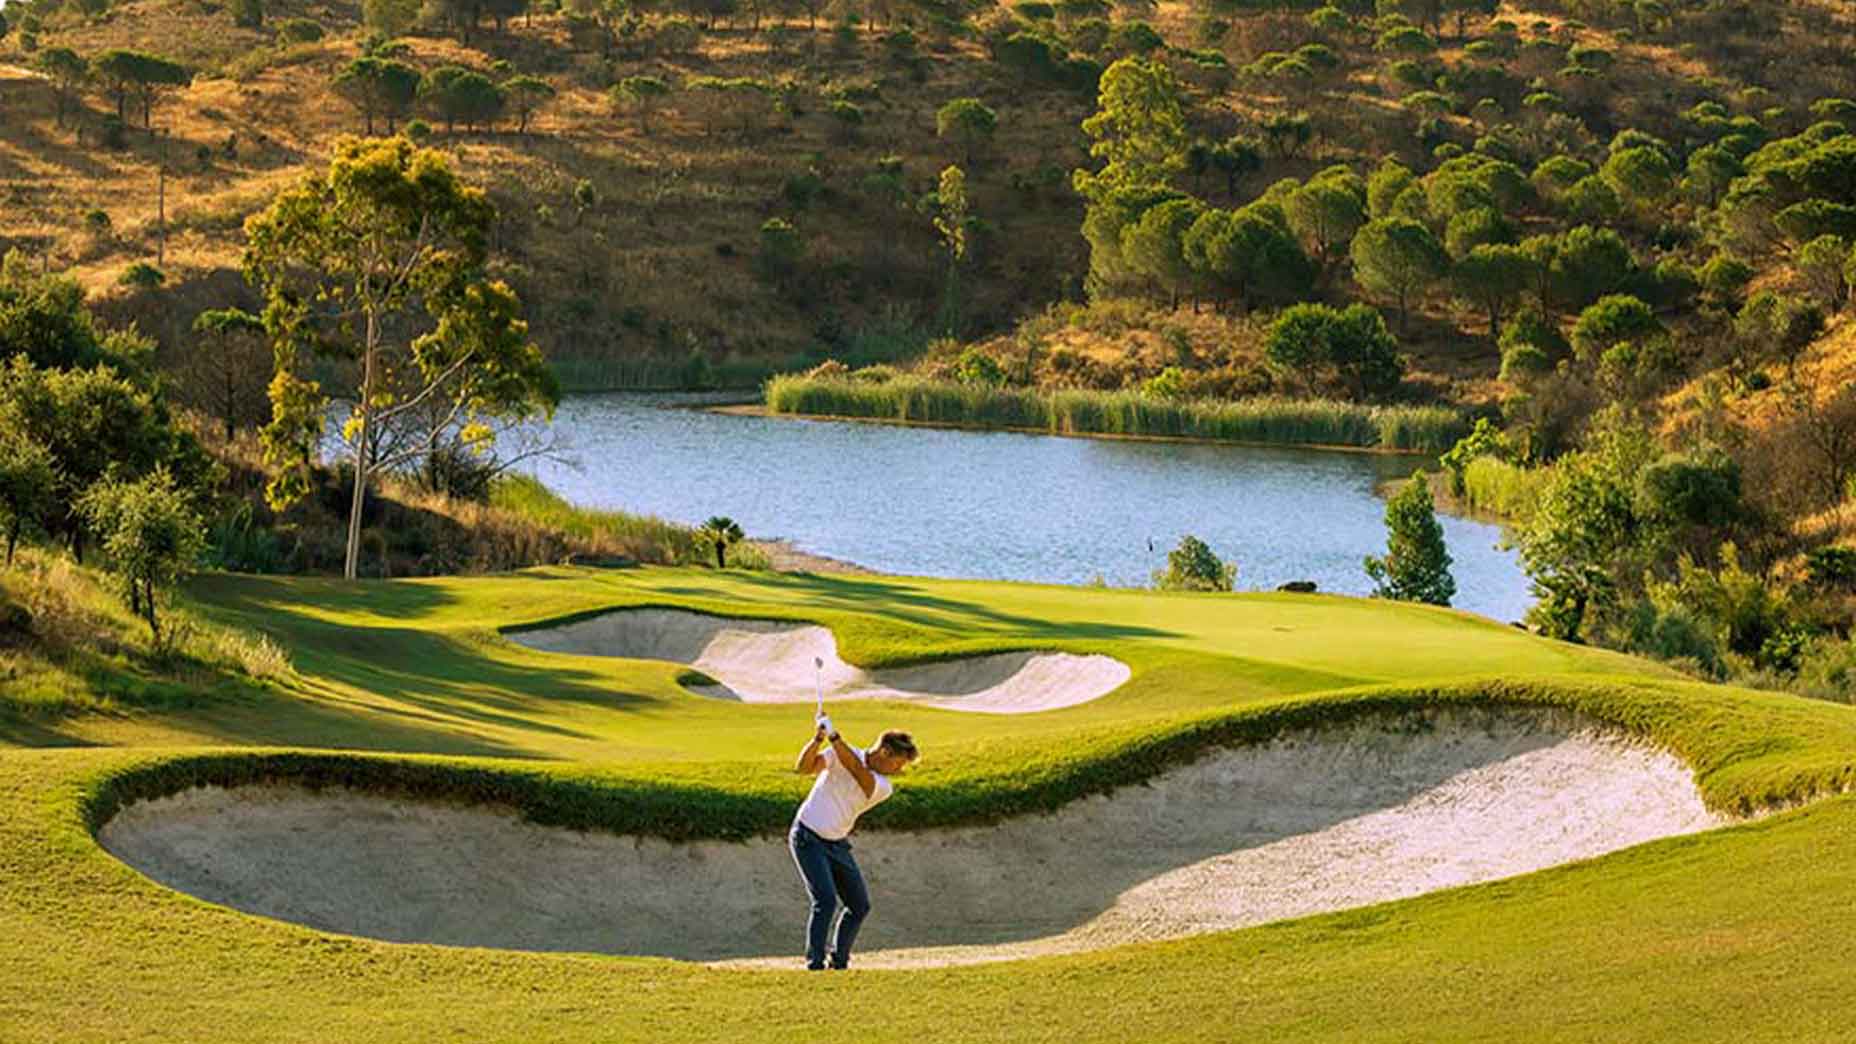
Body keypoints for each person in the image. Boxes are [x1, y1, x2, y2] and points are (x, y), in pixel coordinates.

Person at [789, 717, 918, 970]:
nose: (899, 770)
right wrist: (818, 739)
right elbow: (804, 768)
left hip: (837, 843)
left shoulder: (883, 786)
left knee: (859, 905)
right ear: (885, 752)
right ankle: (815, 963)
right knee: (825, 900)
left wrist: (834, 737)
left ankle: (839, 961)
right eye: (898, 763)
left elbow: (858, 772)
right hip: (808, 836)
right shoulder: (839, 754)